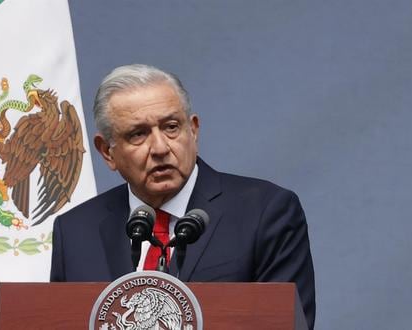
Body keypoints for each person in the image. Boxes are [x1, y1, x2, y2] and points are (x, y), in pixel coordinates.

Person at [50, 64, 316, 328]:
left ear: (194, 130)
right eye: (138, 134)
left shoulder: (265, 212)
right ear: (107, 152)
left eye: (171, 127)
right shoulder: (75, 231)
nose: (160, 147)